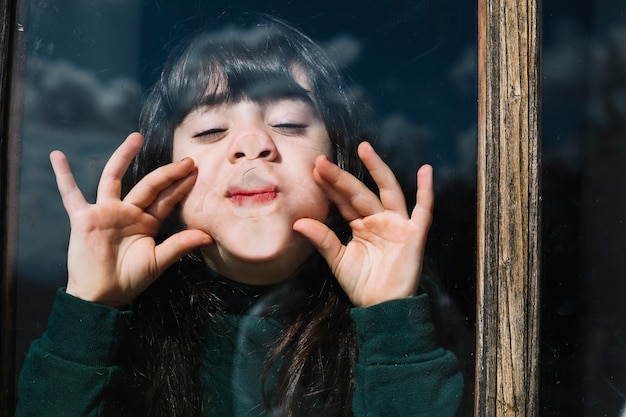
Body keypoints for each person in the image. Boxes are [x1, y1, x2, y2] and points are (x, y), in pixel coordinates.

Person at [15, 15, 463, 417]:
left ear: (339, 159)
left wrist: (390, 316)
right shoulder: (129, 323)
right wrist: (91, 308)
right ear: (162, 171)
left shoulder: (418, 315)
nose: (252, 144)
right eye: (211, 130)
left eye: (288, 123)